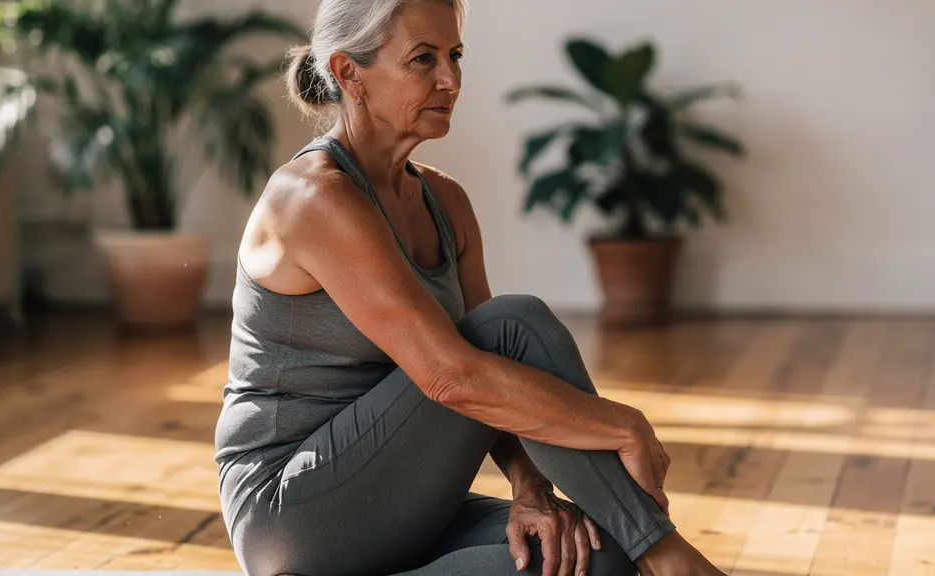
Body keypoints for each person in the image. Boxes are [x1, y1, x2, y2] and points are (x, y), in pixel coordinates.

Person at [214, 1, 726, 575]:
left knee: (595, 559)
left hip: (395, 497)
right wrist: (622, 424)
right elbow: (453, 374)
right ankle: (673, 559)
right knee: (514, 325)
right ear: (348, 71)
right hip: (293, 510)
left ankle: (650, 552)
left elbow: (499, 389)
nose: (450, 79)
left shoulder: (444, 202)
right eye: (423, 59)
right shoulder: (315, 198)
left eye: (455, 55)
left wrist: (531, 491)